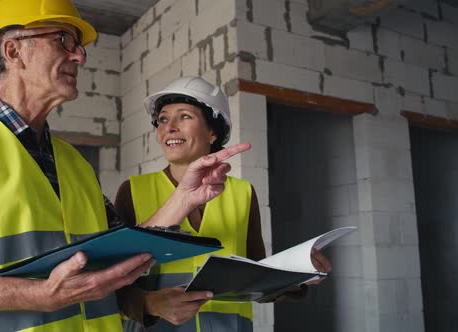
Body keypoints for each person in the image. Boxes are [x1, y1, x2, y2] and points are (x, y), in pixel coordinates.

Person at [0, 1, 251, 331]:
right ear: (13, 51)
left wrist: (183, 199)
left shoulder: (73, 162)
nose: (80, 55)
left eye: (79, 45)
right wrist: (42, 296)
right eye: (64, 39)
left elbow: (121, 251)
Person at [115, 77, 332, 331]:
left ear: (212, 132)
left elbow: (258, 278)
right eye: (163, 119)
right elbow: (110, 282)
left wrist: (300, 275)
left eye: (184, 116)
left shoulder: (243, 193)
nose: (170, 127)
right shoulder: (133, 190)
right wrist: (150, 305)